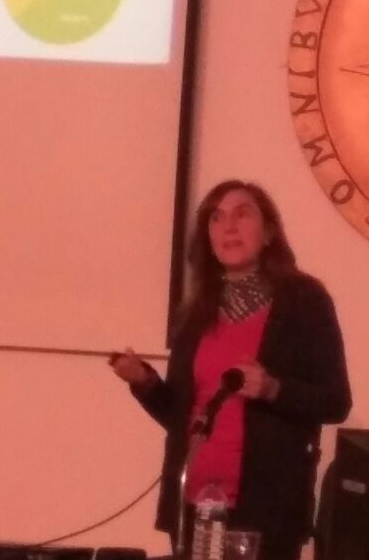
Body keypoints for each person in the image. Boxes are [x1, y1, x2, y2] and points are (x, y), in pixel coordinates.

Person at [111, 180, 352, 560]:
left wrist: (273, 388)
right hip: (195, 503)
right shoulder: (196, 312)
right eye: (216, 218)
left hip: (266, 507)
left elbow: (336, 402)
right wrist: (145, 383)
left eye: (242, 214)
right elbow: (185, 420)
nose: (229, 227)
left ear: (269, 232)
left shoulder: (304, 301)